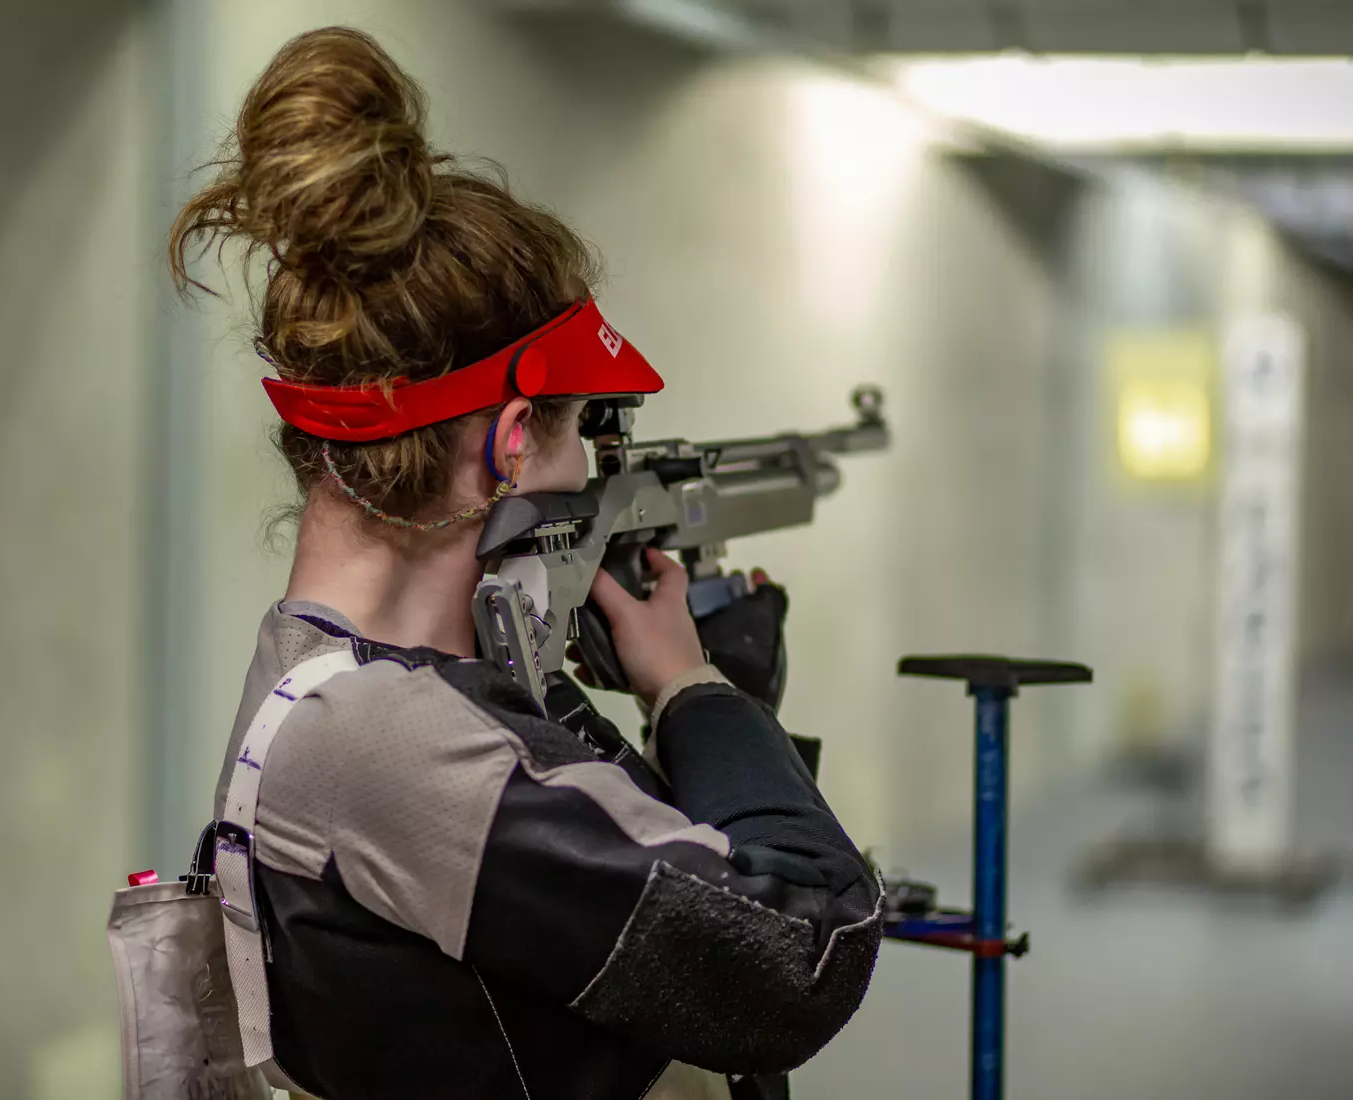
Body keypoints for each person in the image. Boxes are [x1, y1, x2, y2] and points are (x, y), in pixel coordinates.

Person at [169, 26, 883, 1100]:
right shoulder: (389, 748)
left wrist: (651, 692)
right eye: (579, 430)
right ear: (507, 445)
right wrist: (698, 695)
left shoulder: (336, 680)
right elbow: (796, 956)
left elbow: (632, 870)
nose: (589, 466)